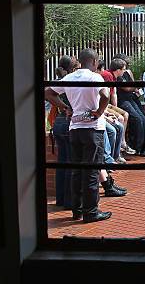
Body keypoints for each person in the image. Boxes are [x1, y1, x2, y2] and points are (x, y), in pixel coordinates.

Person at [45, 48, 116, 223]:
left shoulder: (68, 78)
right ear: (93, 61)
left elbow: (48, 92)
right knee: (91, 171)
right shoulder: (95, 77)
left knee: (76, 171)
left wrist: (64, 107)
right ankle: (91, 212)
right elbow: (106, 95)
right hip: (93, 129)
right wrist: (99, 112)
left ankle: (77, 210)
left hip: (74, 128)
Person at [50, 55, 77, 209]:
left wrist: (63, 107)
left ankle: (60, 199)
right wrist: (67, 108)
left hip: (59, 123)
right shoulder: (72, 80)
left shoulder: (60, 81)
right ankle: (69, 201)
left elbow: (49, 94)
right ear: (73, 67)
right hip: (68, 123)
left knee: (62, 162)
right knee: (71, 163)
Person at [114, 54, 145, 156]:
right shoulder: (118, 75)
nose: (127, 67)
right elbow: (126, 88)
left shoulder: (127, 72)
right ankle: (138, 147)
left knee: (143, 118)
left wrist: (135, 87)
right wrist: (135, 87)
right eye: (125, 64)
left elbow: (132, 84)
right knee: (137, 119)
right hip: (123, 101)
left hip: (131, 98)